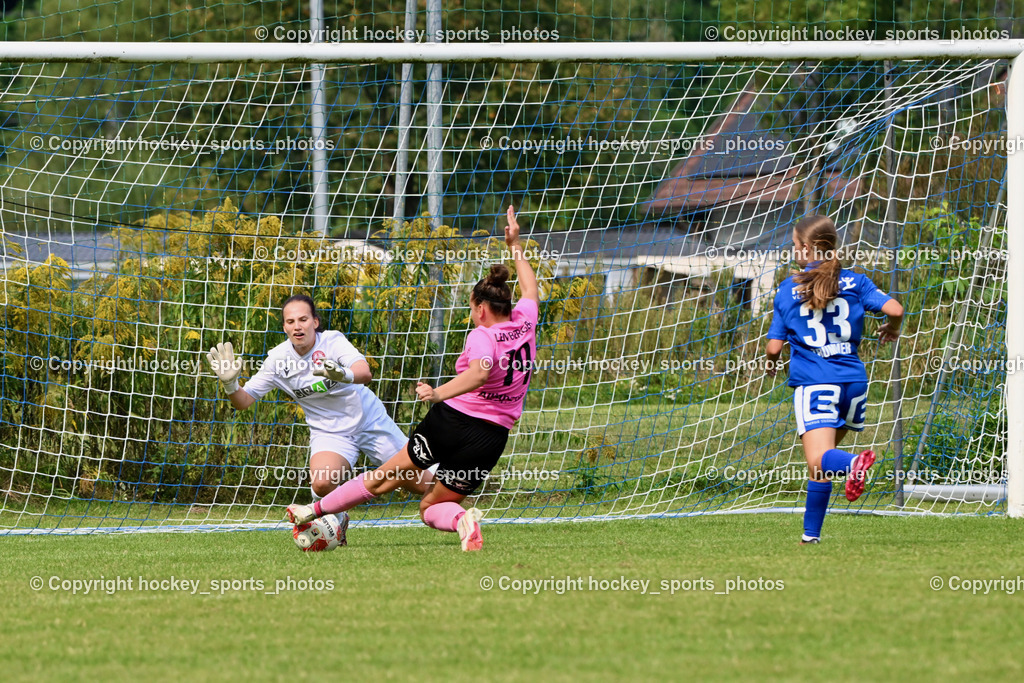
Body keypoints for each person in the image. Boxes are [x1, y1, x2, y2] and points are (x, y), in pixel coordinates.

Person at [286, 204, 539, 551]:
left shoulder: (483, 335)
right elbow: (530, 288)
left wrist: (438, 395)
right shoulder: (526, 319)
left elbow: (480, 373)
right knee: (431, 505)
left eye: (470, 307)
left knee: (381, 479)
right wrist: (515, 244)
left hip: (452, 422)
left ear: (480, 307)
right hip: (492, 437)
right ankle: (462, 520)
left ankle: (311, 510)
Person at [206, 294, 433, 544]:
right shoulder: (278, 360)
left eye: (303, 319)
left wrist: (342, 374)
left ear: (315, 321)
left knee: (425, 485)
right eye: (290, 321)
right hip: (330, 434)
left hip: (369, 421)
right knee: (323, 481)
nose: (297, 326)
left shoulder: (333, 341)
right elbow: (243, 401)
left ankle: (457, 515)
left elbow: (364, 373)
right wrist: (229, 384)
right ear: (284, 327)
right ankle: (337, 520)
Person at [764, 215, 904, 545]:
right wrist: (892, 330)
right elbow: (895, 309)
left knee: (818, 459)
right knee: (822, 464)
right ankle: (810, 536)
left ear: (808, 248)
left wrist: (772, 362)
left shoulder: (788, 288)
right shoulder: (856, 282)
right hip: (854, 385)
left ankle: (856, 463)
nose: (794, 252)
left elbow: (773, 346)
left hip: (815, 384)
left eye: (796, 246)